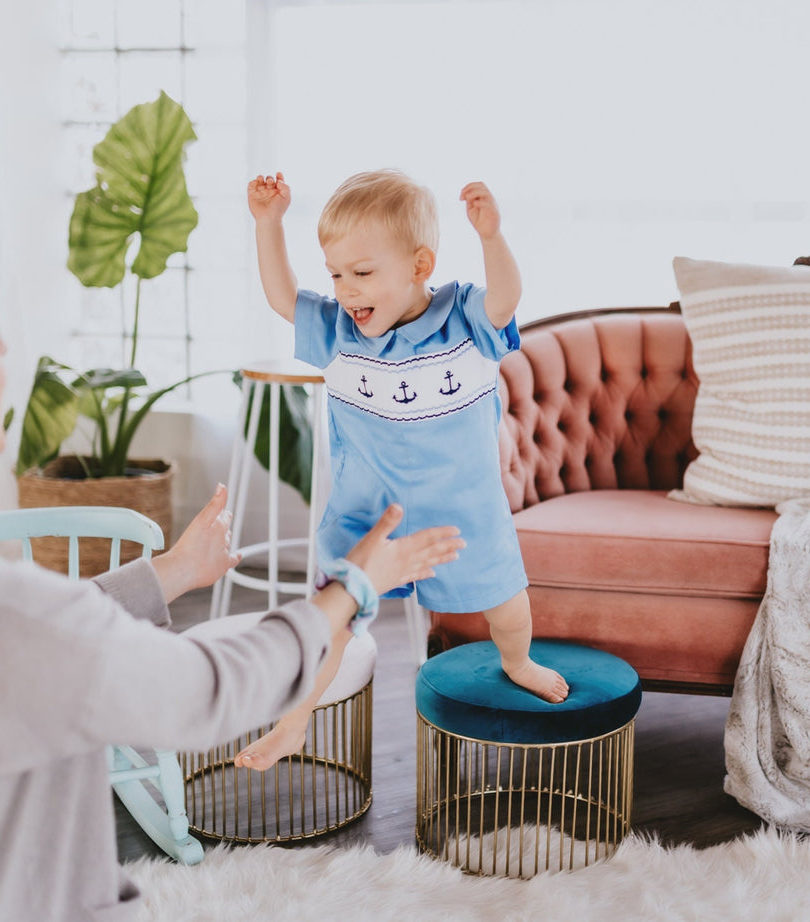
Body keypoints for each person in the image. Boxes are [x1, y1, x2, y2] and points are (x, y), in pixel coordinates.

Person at [0, 239, 464, 922]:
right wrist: (350, 589)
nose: (6, 358)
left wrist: (171, 574)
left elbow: (29, 640)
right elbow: (206, 693)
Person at [236, 169, 569, 772]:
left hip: (462, 510)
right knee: (332, 616)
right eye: (335, 273)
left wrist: (492, 238)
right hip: (369, 514)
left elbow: (506, 300)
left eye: (362, 273)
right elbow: (283, 296)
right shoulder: (338, 333)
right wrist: (268, 225)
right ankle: (294, 720)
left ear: (420, 266)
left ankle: (518, 662)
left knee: (508, 606)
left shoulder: (466, 320)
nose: (345, 290)